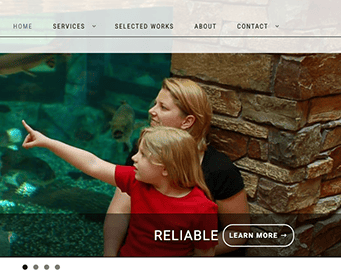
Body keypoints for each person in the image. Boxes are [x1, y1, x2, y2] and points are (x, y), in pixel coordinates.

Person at [22, 121, 219, 256]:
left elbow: (204, 257)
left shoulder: (202, 209)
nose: (134, 158)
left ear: (166, 168)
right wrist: (47, 142)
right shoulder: (137, 181)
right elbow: (93, 164)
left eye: (143, 154)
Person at [104, 78, 250, 257]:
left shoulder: (220, 170)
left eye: (163, 107)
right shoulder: (142, 152)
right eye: (154, 104)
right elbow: (119, 210)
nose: (151, 111)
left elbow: (238, 233)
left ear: (188, 121)